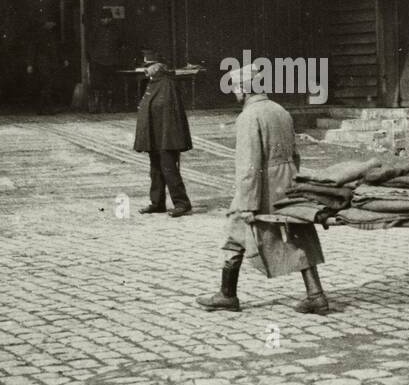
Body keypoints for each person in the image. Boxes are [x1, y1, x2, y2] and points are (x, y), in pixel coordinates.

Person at [197, 64, 329, 315]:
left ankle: (227, 295)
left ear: (245, 89)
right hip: (288, 183)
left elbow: (249, 164)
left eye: (236, 87)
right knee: (298, 234)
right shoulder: (280, 110)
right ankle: (316, 294)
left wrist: (247, 204)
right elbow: (295, 155)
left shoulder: (249, 116)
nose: (234, 92)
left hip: (263, 187)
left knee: (237, 228)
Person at [133, 54, 193, 217]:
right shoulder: (153, 84)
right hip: (155, 136)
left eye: (148, 66)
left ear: (157, 67)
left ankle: (182, 203)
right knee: (155, 170)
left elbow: (170, 114)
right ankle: (157, 203)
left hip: (167, 137)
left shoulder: (167, 85)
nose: (145, 69)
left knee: (169, 169)